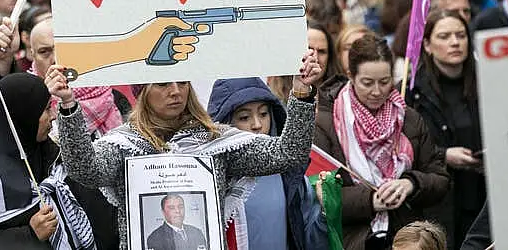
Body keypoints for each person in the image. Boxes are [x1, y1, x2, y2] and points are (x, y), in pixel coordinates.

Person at [47, 49, 321, 250]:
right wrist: (69, 107)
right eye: (164, 83)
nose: (176, 91)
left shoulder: (216, 141)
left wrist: (301, 93)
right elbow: (85, 170)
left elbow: (289, 153)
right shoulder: (124, 144)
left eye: (182, 82)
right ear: (142, 92)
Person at [0, 73, 115, 249]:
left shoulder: (53, 158)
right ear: (25, 116)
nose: (53, 116)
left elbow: (101, 220)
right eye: (46, 109)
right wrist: (29, 235)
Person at [313, 34, 449, 250]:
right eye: (367, 83)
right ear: (350, 76)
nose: (377, 91)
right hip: (354, 240)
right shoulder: (327, 122)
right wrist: (370, 201)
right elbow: (318, 193)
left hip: (407, 236)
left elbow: (439, 179)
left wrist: (411, 184)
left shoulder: (409, 119)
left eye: (384, 82)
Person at [207, 77, 328, 250]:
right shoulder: (209, 178)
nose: (257, 124)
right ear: (224, 122)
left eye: (263, 114)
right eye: (244, 117)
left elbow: (309, 240)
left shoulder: (290, 175)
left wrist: (324, 213)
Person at [405, 10, 485, 249]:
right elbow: (409, 148)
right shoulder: (413, 93)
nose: (454, 42)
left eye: (461, 35)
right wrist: (445, 155)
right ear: (427, 45)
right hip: (442, 198)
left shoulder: (486, 81)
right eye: (445, 36)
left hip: (484, 191)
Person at [0, 17, 122, 137]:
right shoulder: (26, 100)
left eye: (63, 50)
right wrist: (3, 60)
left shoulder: (113, 97)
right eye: (44, 52)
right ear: (32, 54)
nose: (55, 59)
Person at [307, 23, 339, 88]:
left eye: (321, 52)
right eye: (309, 49)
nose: (315, 58)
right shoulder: (280, 97)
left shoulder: (342, 94)